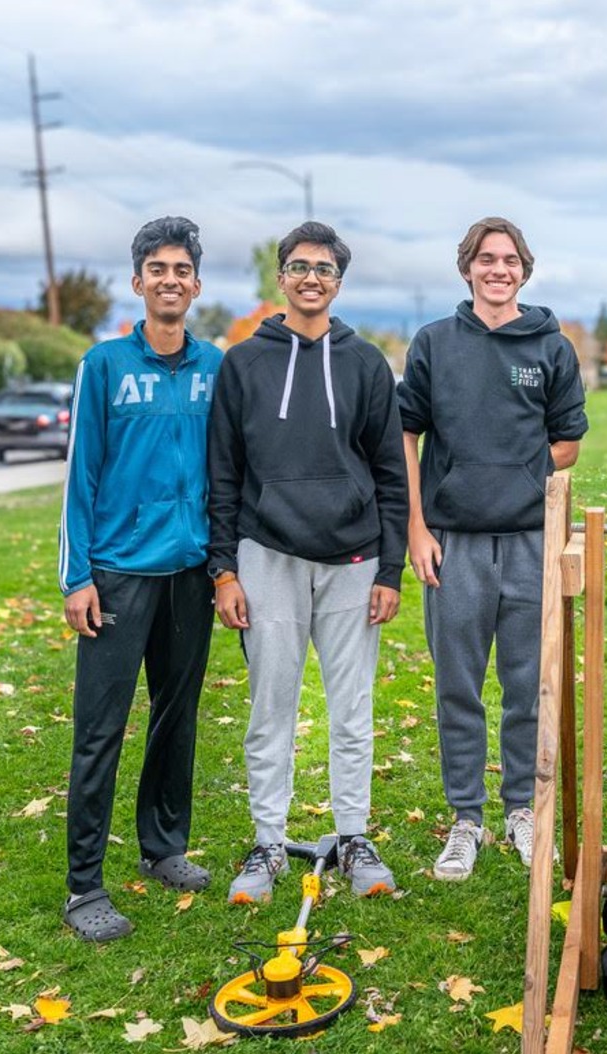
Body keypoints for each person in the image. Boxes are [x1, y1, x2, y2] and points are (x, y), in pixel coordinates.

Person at [208, 221, 407, 903]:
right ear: (280, 278)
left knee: (351, 709)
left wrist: (390, 570)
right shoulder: (244, 363)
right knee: (272, 708)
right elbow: (223, 475)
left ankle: (353, 835)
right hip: (267, 557)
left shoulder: (367, 363)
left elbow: (389, 471)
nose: (311, 277)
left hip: (354, 559)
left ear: (339, 281)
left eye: (324, 267)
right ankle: (267, 844)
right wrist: (225, 570)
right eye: (299, 266)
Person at [397, 217, 588, 881]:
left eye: (509, 260)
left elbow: (568, 441)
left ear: (524, 271)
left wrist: (516, 474)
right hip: (453, 543)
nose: (498, 269)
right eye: (486, 259)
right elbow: (406, 435)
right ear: (467, 268)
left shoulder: (550, 346)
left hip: (531, 541)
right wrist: (416, 529)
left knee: (526, 686)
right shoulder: (434, 343)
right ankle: (465, 819)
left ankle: (521, 811)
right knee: (458, 687)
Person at [59, 217, 223, 941]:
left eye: (181, 269)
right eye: (157, 269)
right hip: (118, 575)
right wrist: (77, 578)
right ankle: (84, 885)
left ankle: (164, 847)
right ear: (138, 283)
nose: (170, 280)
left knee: (176, 717)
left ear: (195, 283)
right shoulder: (103, 366)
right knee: (100, 730)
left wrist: (222, 566)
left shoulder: (215, 368)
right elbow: (79, 476)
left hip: (189, 574)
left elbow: (227, 474)